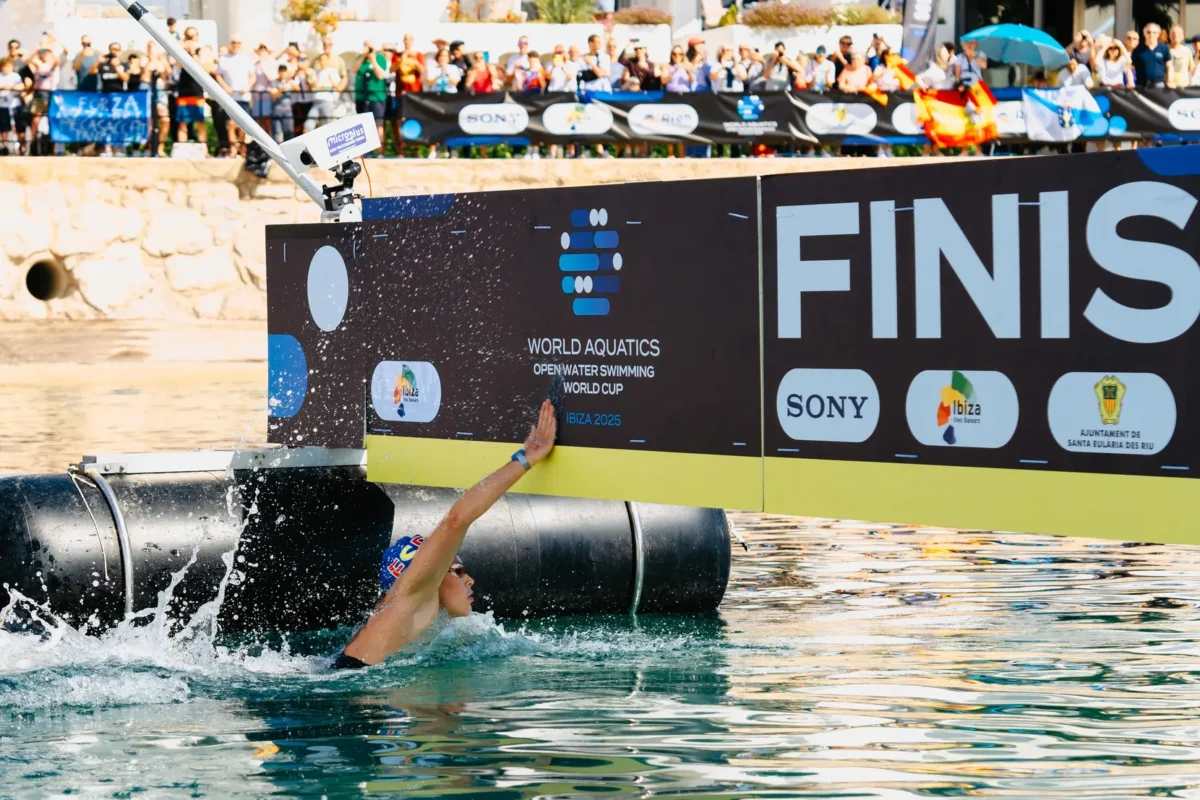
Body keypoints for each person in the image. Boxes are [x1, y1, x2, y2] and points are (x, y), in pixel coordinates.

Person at [335, 400, 558, 668]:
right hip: (360, 687)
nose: (470, 580)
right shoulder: (413, 596)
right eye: (458, 571)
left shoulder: (398, 614)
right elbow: (456, 520)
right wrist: (527, 457)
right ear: (431, 572)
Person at [216, 37, 255, 156]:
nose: (236, 45)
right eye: (233, 42)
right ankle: (233, 149)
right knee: (231, 124)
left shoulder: (246, 58)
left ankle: (242, 148)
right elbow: (218, 75)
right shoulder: (224, 59)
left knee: (243, 125)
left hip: (243, 97)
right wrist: (225, 87)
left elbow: (252, 76)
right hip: (230, 98)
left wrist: (247, 87)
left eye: (238, 42)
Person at [354, 40, 389, 145]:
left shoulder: (380, 58)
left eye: (370, 48)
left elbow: (380, 75)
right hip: (362, 97)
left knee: (378, 124)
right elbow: (354, 70)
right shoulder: (360, 58)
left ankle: (380, 152)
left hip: (376, 97)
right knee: (362, 126)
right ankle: (365, 151)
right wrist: (363, 57)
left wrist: (373, 60)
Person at [1131, 22, 1171, 88]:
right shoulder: (1137, 49)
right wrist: (1130, 81)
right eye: (1148, 32)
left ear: (1158, 34)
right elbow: (1131, 68)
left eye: (1154, 32)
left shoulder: (1164, 48)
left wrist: (1170, 81)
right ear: (1144, 33)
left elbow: (1169, 66)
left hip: (1158, 84)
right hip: (1141, 85)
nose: (1151, 35)